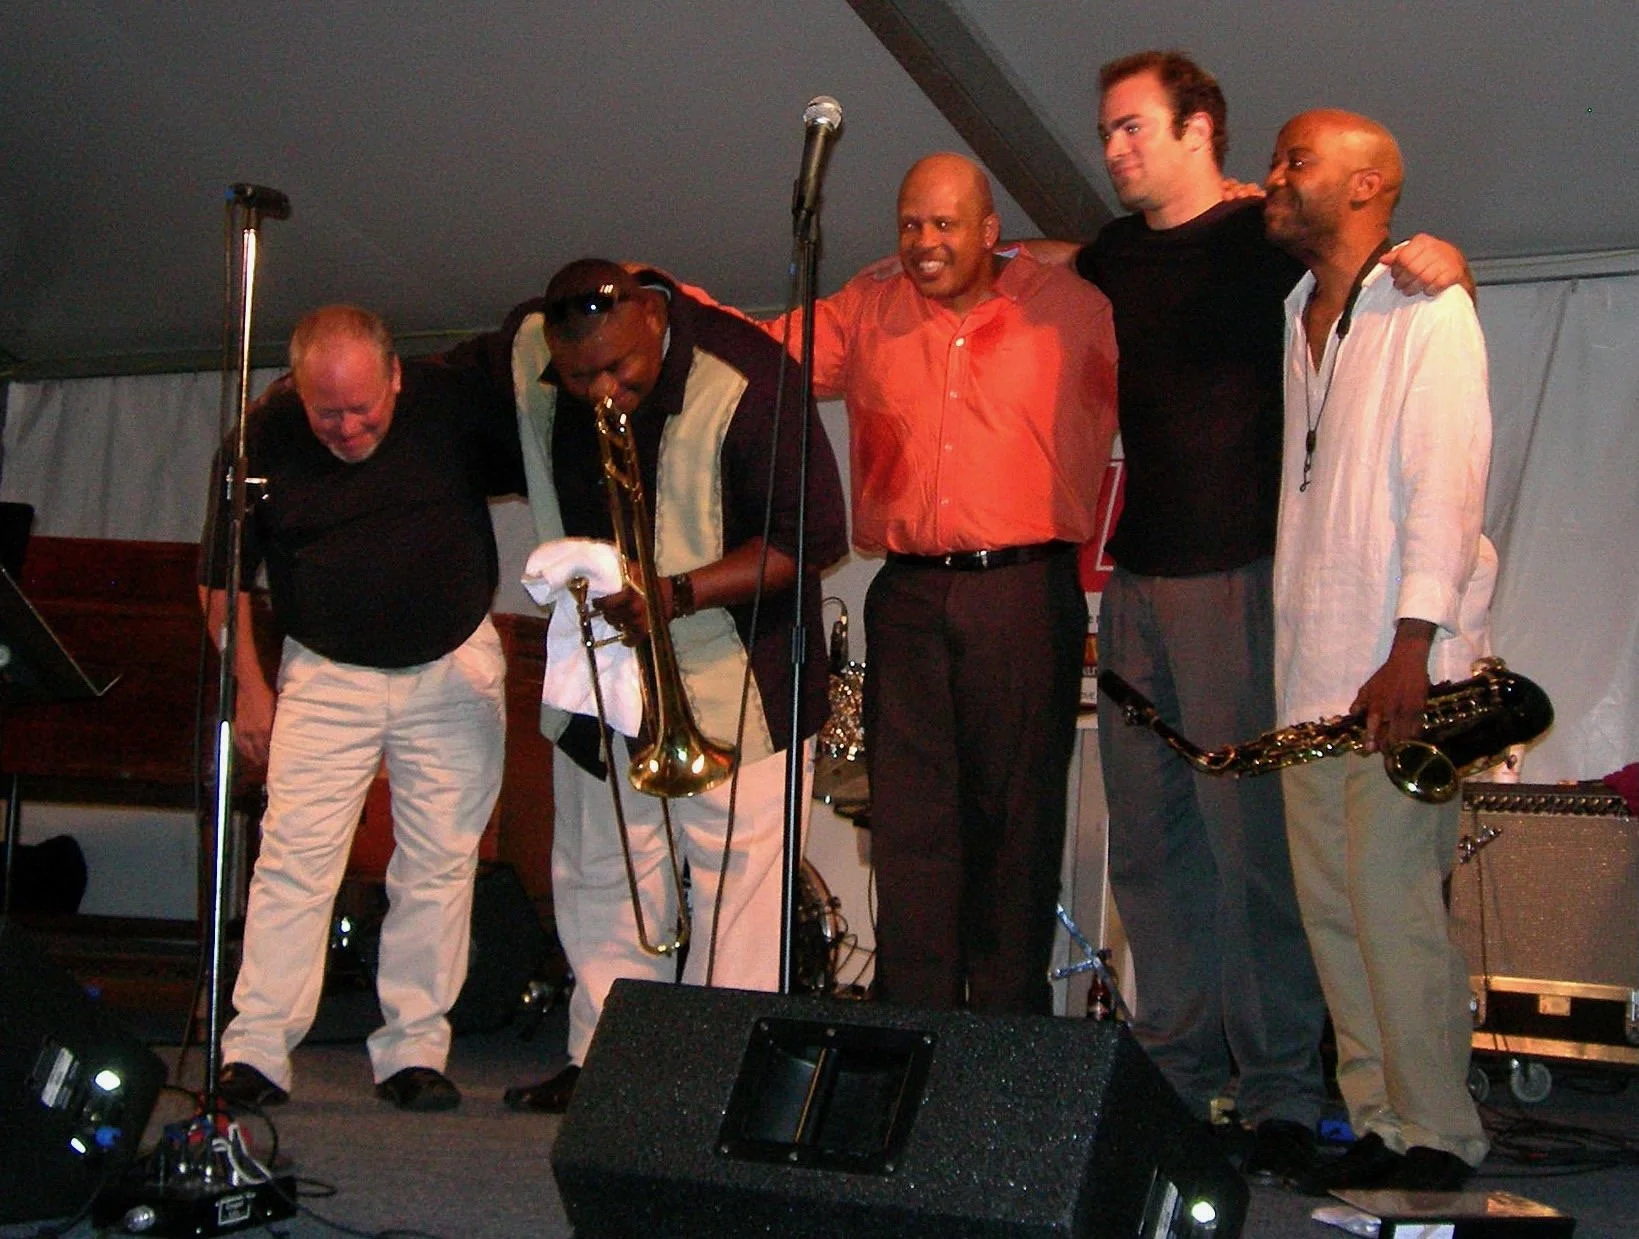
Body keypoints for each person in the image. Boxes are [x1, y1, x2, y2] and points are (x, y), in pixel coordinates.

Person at [1022, 51, 1471, 1187]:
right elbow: (1024, 264)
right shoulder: (1115, 255)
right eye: (1107, 130)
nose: (1112, 148)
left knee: (1254, 853)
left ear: (1195, 129)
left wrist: (1440, 253)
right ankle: (1178, 1077)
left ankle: (1278, 1087)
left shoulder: (1261, 238)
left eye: (1131, 128)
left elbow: (1370, 248)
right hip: (1135, 581)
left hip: (1244, 580)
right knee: (1154, 850)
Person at [442, 259, 848, 1113]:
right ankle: (607, 1062)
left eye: (619, 368)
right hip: (603, 675)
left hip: (742, 675)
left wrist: (675, 594)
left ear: (655, 319)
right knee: (601, 871)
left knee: (741, 888)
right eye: (578, 374)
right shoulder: (525, 349)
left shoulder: (752, 378)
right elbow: (429, 395)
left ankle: (716, 1073)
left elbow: (804, 540)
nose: (601, 392)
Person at [764, 153, 1119, 1015]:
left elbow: (1180, 307)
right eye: (910, 224)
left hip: (1023, 592)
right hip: (909, 596)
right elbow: (758, 355)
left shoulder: (1073, 307)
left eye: (945, 225)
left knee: (1015, 822)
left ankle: (1004, 1031)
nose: (924, 243)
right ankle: (909, 1021)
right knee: (911, 826)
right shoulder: (868, 308)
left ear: (989, 231)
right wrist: (662, 302)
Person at [201, 304, 525, 1112]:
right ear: (297, 391)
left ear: (395, 375)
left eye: (361, 408)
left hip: (451, 662)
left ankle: (414, 1047)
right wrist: (250, 687)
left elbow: (547, 447)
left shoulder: (453, 402)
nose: (345, 427)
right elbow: (221, 581)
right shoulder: (260, 436)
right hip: (326, 670)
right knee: (294, 860)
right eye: (326, 412)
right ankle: (256, 1050)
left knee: (440, 865)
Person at [1264, 108, 1494, 1193]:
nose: (1273, 175)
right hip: (1309, 673)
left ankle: (1438, 1130)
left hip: (1397, 670)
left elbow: (1445, 486)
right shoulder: (1295, 313)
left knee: (1396, 909)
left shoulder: (1427, 307)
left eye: (1295, 160)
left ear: (1366, 187)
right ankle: (1377, 1122)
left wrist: (1412, 642)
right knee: (1333, 916)